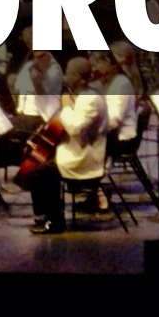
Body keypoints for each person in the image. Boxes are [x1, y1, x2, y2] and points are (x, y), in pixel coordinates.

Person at [24, 56, 108, 234]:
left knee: (40, 172)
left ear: (77, 77)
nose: (64, 77)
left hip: (85, 158)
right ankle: (43, 216)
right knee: (33, 162)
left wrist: (66, 107)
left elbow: (74, 128)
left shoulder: (91, 99)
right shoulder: (80, 95)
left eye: (68, 73)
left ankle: (54, 221)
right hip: (75, 150)